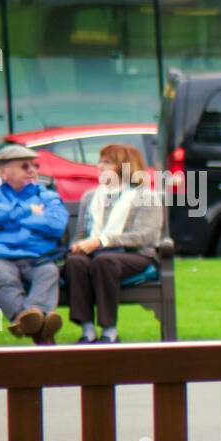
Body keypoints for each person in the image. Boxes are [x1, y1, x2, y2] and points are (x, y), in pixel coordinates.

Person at [0, 143, 68, 345]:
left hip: (36, 258)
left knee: (49, 273)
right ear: (4, 172)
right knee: (2, 277)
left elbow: (56, 224)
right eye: (24, 166)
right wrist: (29, 211)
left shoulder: (46, 195)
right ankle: (40, 324)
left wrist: (7, 221)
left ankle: (26, 320)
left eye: (35, 166)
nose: (32, 171)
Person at [66, 143, 162, 344]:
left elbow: (143, 236)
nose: (99, 166)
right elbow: (81, 234)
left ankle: (109, 332)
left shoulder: (146, 196)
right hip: (97, 254)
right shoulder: (91, 197)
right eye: (100, 161)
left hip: (135, 255)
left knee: (104, 261)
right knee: (76, 261)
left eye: (107, 162)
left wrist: (102, 241)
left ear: (123, 166)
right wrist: (78, 245)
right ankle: (87, 331)